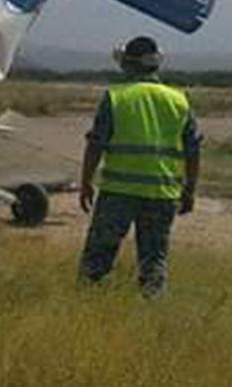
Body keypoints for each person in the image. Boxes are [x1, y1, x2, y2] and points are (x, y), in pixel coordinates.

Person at [78, 35, 201, 296]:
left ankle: (88, 304)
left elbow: (96, 144)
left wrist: (86, 182)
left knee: (97, 260)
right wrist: (189, 190)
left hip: (118, 192)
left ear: (127, 64)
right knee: (154, 260)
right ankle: (152, 307)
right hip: (162, 193)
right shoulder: (179, 100)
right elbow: (193, 150)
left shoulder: (116, 98)